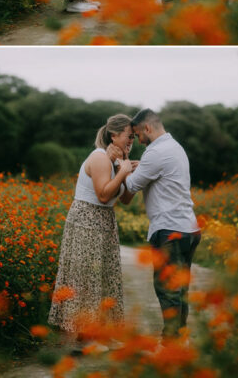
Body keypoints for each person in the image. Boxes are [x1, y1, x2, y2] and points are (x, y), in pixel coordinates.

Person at [48, 114, 136, 340]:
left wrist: (131, 175)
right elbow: (104, 195)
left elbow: (125, 199)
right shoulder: (99, 158)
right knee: (87, 278)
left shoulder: (116, 161)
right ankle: (83, 338)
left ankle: (101, 333)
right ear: (114, 135)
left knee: (105, 277)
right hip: (87, 220)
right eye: (129, 135)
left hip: (104, 221)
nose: (131, 140)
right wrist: (124, 171)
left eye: (134, 137)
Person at [123, 109, 200, 338]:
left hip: (170, 229)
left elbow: (130, 187)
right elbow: (154, 172)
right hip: (188, 227)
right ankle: (179, 338)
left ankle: (172, 344)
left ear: (147, 128)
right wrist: (139, 167)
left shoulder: (155, 152)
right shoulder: (174, 147)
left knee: (168, 289)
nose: (137, 140)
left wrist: (122, 168)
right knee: (180, 289)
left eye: (137, 134)